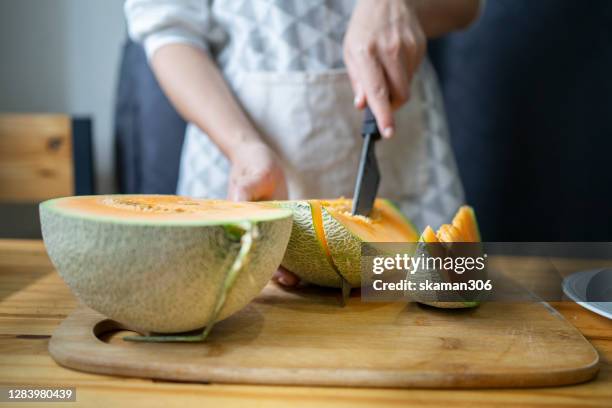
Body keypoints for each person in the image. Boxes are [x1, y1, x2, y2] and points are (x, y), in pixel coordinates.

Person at [124, 0, 483, 285]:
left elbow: (466, 6)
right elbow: (167, 28)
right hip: (237, 151)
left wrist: (397, 3)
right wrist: (243, 149)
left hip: (401, 153)